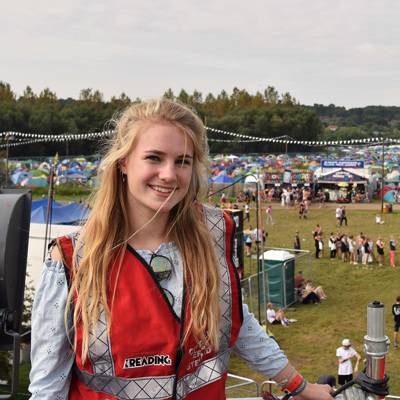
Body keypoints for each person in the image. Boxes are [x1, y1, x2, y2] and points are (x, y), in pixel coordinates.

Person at [28, 99, 334, 400]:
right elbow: (47, 385)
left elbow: (237, 324)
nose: (169, 175)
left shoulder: (210, 235)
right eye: (154, 158)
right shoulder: (74, 258)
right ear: (123, 162)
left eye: (182, 161)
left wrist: (300, 387)